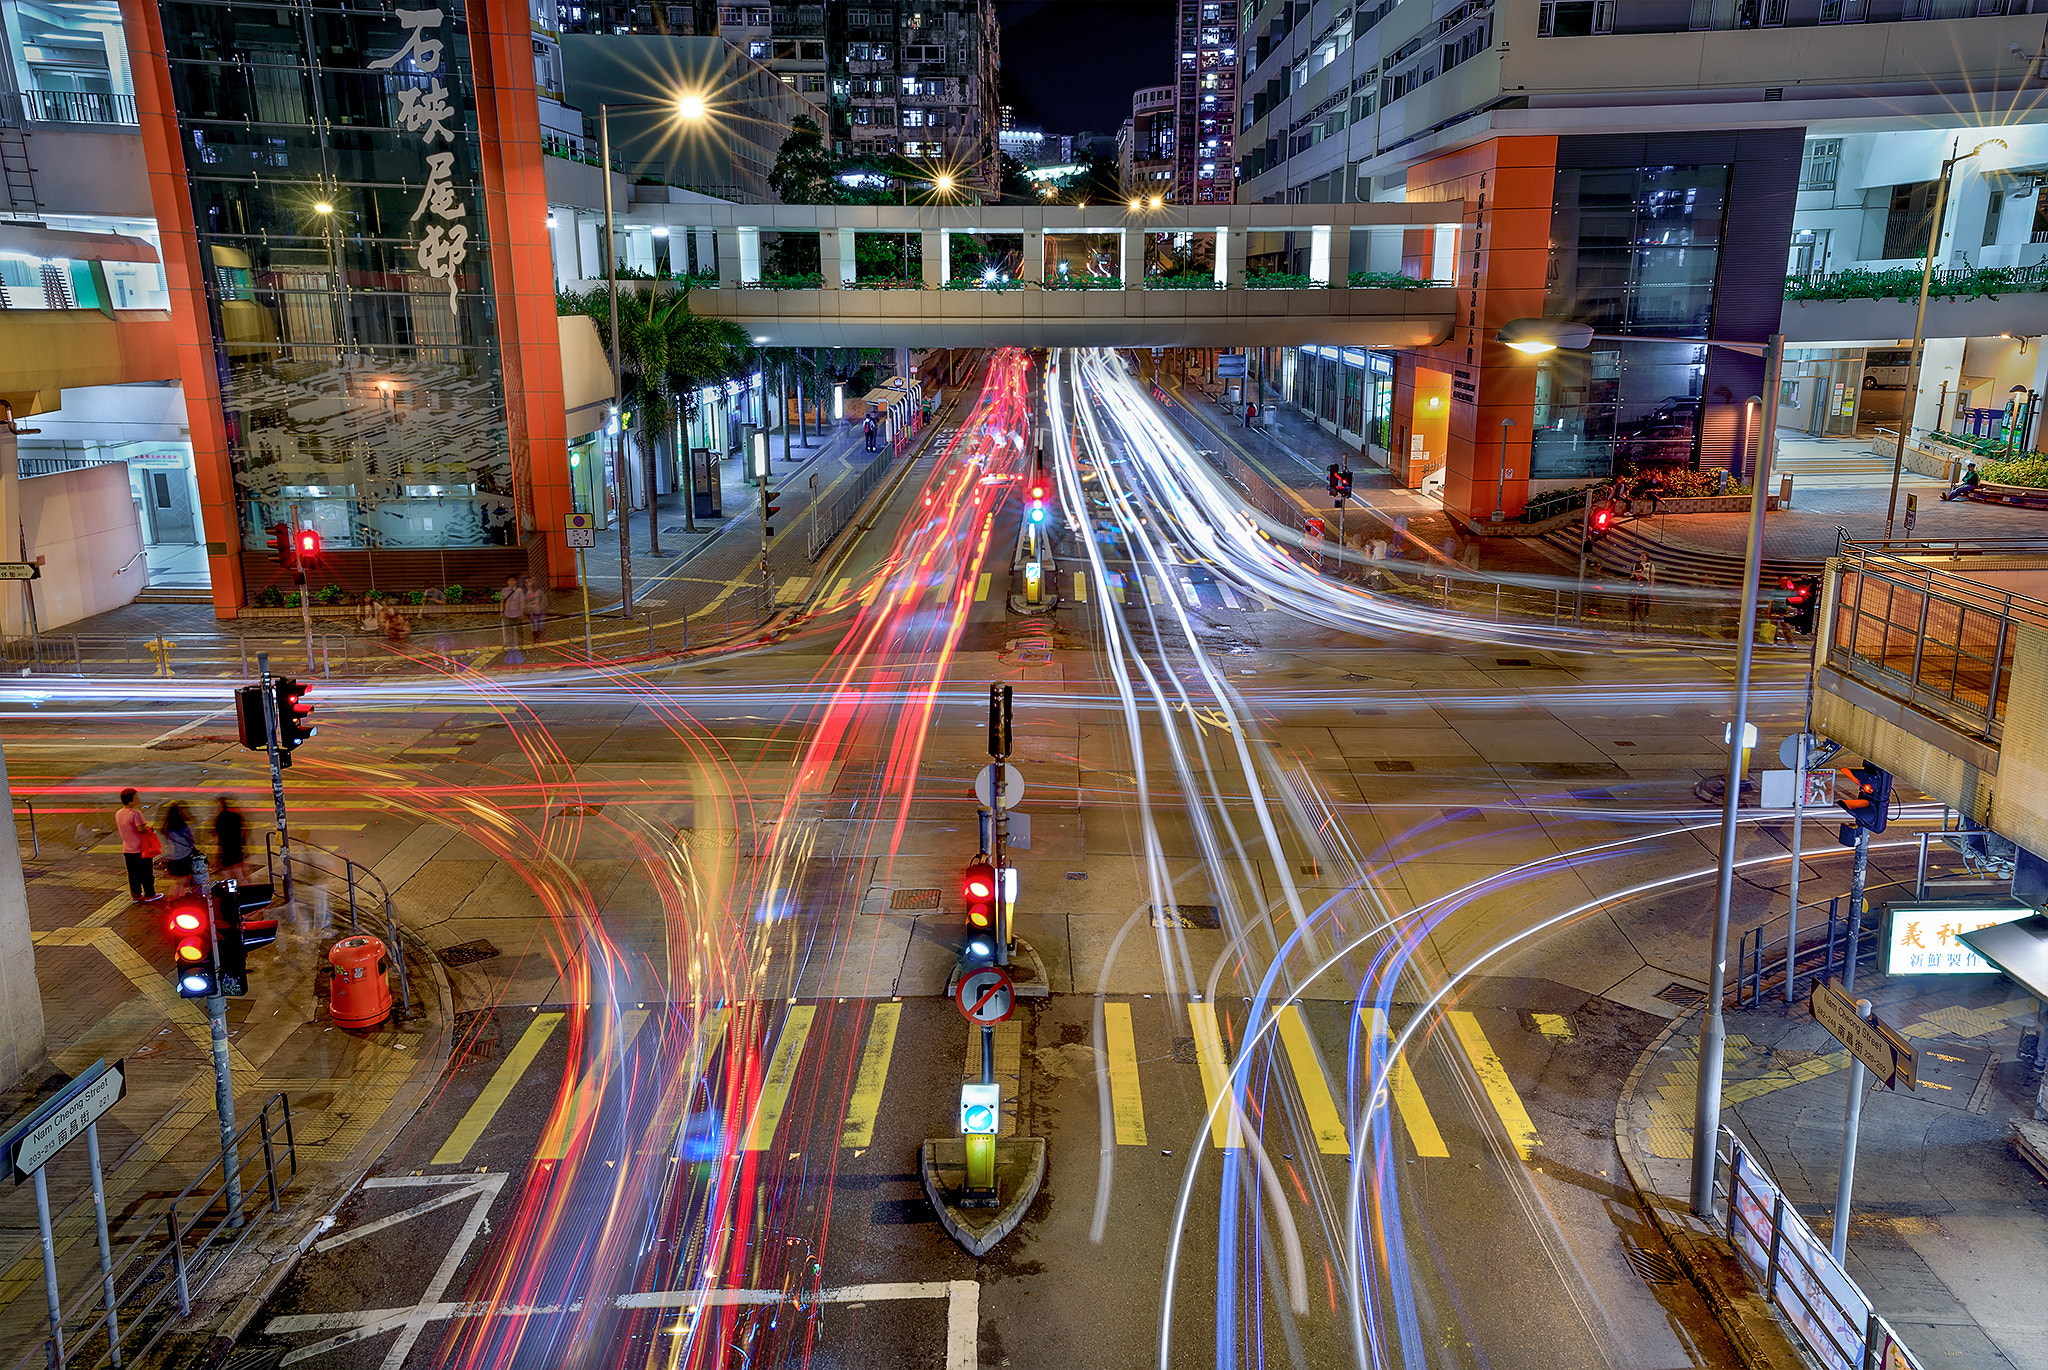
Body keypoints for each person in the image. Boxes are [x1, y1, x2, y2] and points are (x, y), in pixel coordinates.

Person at [116, 788, 159, 903]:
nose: (139, 799)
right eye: (137, 797)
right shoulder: (136, 813)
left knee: (133, 874)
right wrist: (149, 829)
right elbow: (141, 829)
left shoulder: (119, 813)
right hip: (141, 849)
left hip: (127, 849)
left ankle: (136, 895)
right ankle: (150, 894)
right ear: (130, 802)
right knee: (146, 873)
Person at [161, 801, 196, 897]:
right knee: (184, 883)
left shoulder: (167, 826)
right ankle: (178, 902)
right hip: (183, 857)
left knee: (178, 882)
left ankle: (171, 902)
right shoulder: (182, 826)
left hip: (172, 859)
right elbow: (190, 841)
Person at [215, 797, 247, 885]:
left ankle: (234, 893)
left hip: (227, 852)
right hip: (236, 850)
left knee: (228, 876)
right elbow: (243, 831)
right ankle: (245, 890)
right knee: (238, 873)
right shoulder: (236, 816)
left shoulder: (220, 819)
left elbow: (218, 836)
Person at [1629, 555, 1656, 635]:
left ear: (1642, 572)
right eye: (1637, 572)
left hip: (1640, 603)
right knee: (1632, 620)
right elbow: (1628, 590)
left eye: (1639, 572)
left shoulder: (1644, 581)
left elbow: (1644, 593)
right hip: (1631, 603)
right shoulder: (1632, 580)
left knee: (1642, 619)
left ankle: (1644, 635)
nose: (1638, 573)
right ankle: (1632, 635)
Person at [499, 575, 525, 654]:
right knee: (509, 630)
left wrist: (522, 611)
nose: (512, 582)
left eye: (513, 580)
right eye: (510, 581)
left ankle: (521, 645)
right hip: (508, 613)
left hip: (517, 613)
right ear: (507, 582)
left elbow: (521, 601)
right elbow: (502, 602)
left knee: (519, 630)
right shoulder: (504, 590)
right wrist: (501, 611)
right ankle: (511, 646)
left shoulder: (519, 590)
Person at [526, 574, 546, 643]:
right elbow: (525, 604)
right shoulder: (526, 594)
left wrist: (540, 606)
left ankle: (542, 639)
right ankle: (536, 639)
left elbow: (543, 601)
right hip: (533, 613)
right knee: (535, 626)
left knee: (541, 626)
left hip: (539, 611)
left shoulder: (539, 592)